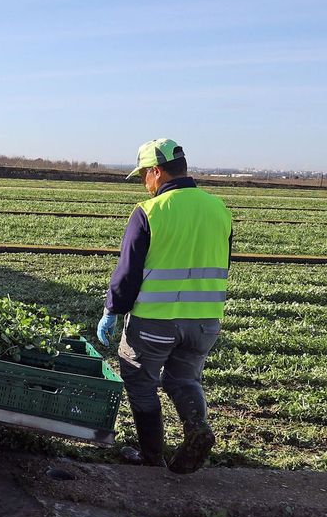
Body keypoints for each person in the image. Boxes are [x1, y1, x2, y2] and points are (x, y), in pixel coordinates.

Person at [96, 139, 233, 474]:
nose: (145, 182)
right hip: (205, 323)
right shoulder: (220, 209)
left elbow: (128, 273)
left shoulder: (149, 212)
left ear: (157, 172)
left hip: (155, 322)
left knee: (140, 381)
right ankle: (196, 425)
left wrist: (112, 311)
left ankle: (151, 457)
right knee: (185, 378)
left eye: (145, 174)